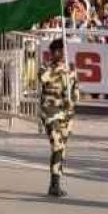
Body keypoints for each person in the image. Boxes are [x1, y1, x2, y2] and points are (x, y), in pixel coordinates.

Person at [38, 37, 80, 198]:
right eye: (55, 51)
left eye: (61, 51)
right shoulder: (46, 67)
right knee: (57, 144)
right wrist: (58, 69)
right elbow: (43, 78)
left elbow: (76, 90)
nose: (58, 54)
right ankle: (54, 184)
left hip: (66, 113)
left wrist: (73, 100)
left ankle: (55, 182)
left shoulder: (71, 68)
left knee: (61, 149)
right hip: (50, 111)